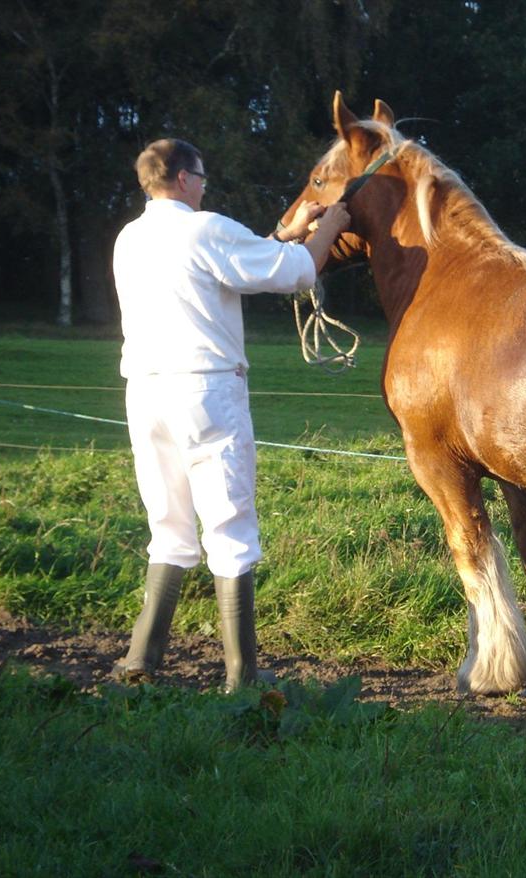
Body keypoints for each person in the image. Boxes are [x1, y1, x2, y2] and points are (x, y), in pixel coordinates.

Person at [111, 137, 350, 691]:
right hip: (205, 390)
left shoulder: (130, 238)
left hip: (144, 392)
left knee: (168, 524)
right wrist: (331, 226)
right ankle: (241, 675)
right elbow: (295, 274)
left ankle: (139, 661)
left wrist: (284, 236)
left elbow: (233, 266)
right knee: (230, 526)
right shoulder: (206, 227)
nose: (204, 186)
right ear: (184, 178)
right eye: (202, 176)